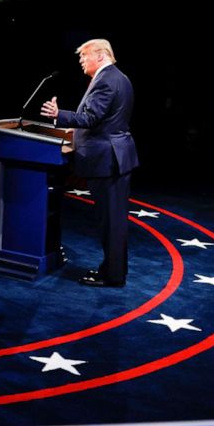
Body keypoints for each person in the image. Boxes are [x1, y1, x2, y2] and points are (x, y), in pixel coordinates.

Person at [40, 39, 139, 288]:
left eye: (84, 56)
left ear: (101, 55)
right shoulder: (117, 77)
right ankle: (111, 270)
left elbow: (91, 117)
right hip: (112, 157)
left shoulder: (107, 80)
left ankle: (113, 276)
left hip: (109, 160)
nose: (81, 61)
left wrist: (58, 115)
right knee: (111, 221)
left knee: (111, 222)